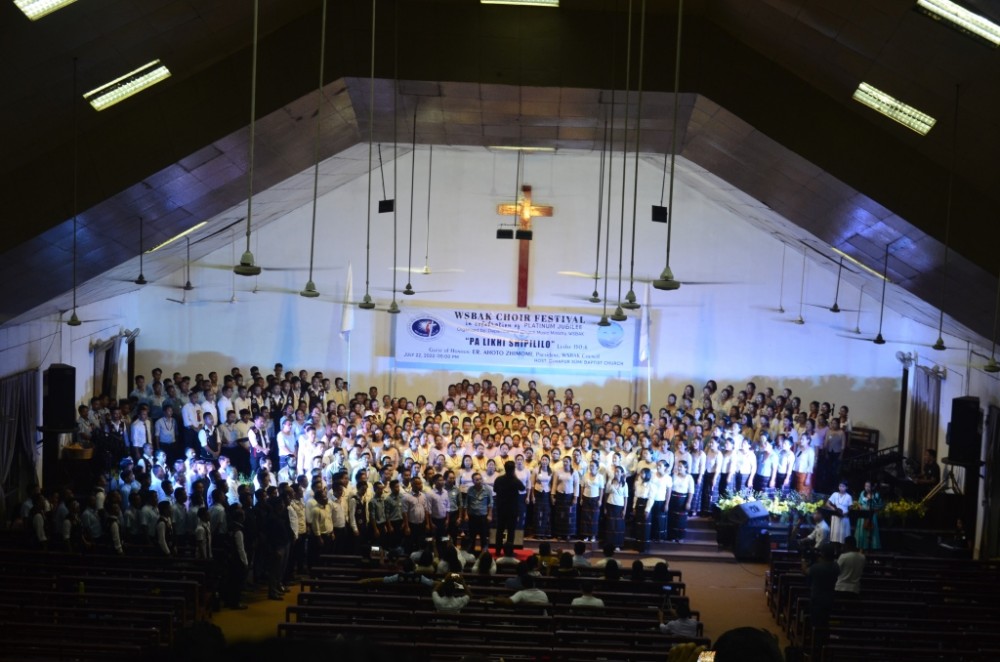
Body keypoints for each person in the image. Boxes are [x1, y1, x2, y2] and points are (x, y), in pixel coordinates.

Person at [492, 460, 525, 557]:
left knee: (500, 530)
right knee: (511, 531)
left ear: (505, 468)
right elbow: (522, 488)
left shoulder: (499, 479)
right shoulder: (515, 480)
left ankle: (498, 550)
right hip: (512, 509)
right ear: (513, 469)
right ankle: (509, 551)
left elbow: (495, 489)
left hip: (501, 508)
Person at [603, 465, 628, 550]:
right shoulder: (610, 482)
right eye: (615, 471)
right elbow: (606, 494)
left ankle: (617, 545)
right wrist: (605, 507)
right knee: (610, 525)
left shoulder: (624, 484)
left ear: (621, 473)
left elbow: (626, 497)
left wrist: (624, 510)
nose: (616, 473)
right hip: (610, 505)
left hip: (619, 507)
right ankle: (609, 544)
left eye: (618, 471)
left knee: (618, 526)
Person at [826, 480, 852, 553]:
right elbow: (827, 503)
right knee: (835, 536)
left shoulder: (849, 497)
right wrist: (834, 509)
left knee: (843, 536)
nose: (841, 488)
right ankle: (835, 552)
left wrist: (845, 514)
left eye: (843, 486)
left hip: (844, 518)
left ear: (846, 487)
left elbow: (850, 509)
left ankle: (843, 552)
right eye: (840, 486)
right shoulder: (835, 494)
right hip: (836, 517)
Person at [854, 480, 882, 551]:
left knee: (871, 532)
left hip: (871, 515)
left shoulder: (876, 494)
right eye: (865, 486)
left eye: (868, 486)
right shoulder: (862, 493)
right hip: (863, 515)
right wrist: (862, 508)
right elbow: (859, 503)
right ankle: (861, 549)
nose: (867, 488)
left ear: (872, 487)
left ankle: (871, 550)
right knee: (862, 531)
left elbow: (880, 505)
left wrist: (873, 510)